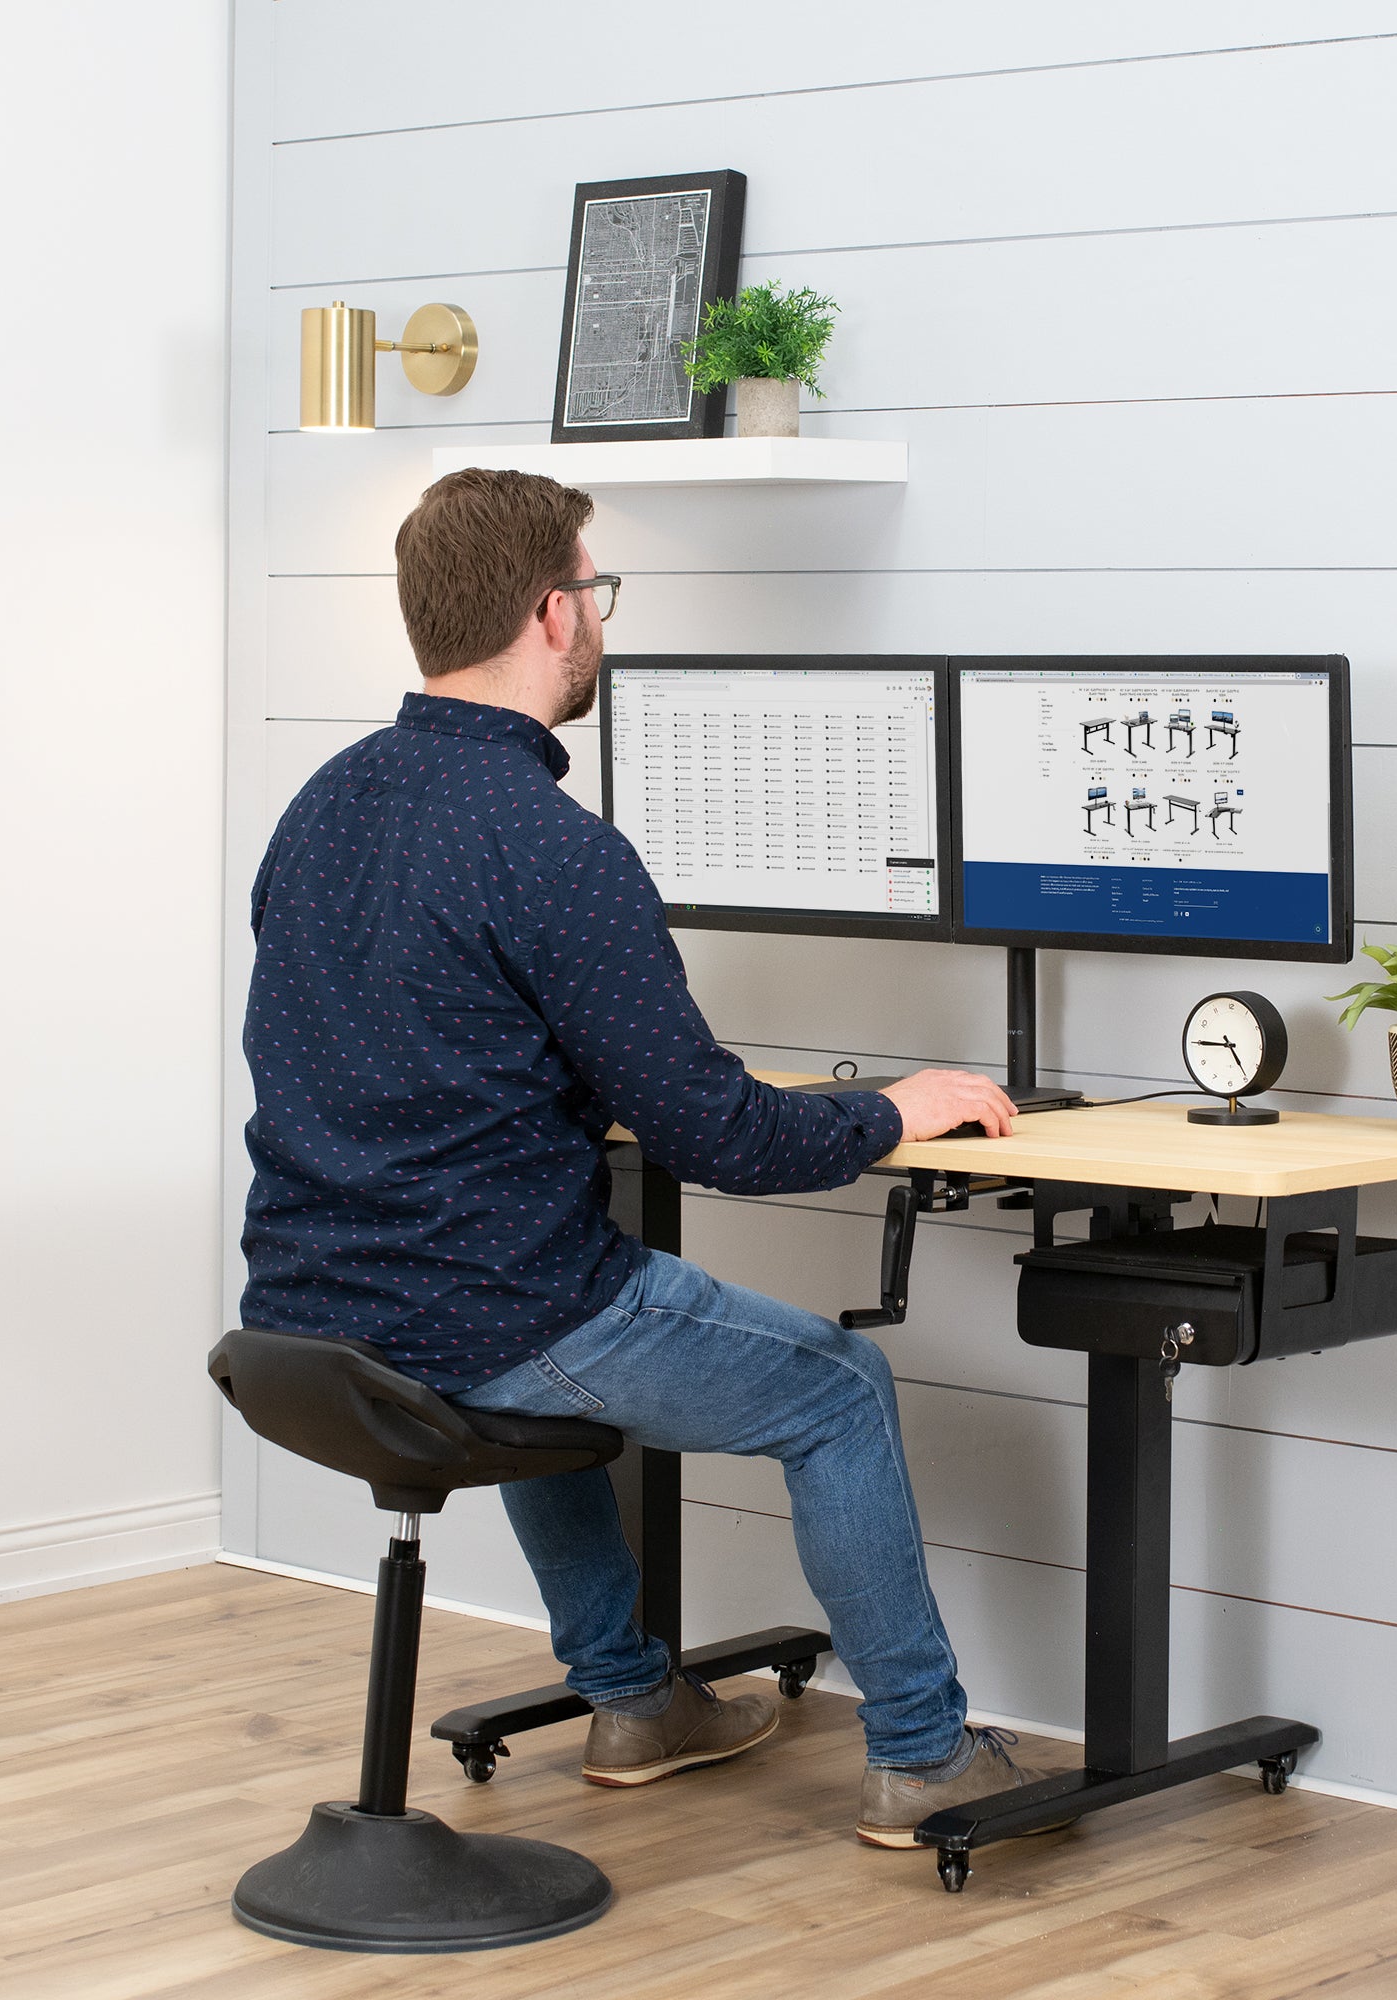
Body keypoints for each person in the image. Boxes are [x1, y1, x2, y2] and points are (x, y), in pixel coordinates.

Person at [241, 467, 1033, 1847]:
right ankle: (923, 1757)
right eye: (595, 593)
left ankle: (631, 1698)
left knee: (557, 1305)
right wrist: (898, 1108)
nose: (598, 619)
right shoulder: (554, 849)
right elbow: (718, 1134)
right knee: (837, 1388)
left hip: (311, 1308)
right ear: (557, 614)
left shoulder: (326, 803)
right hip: (481, 1311)